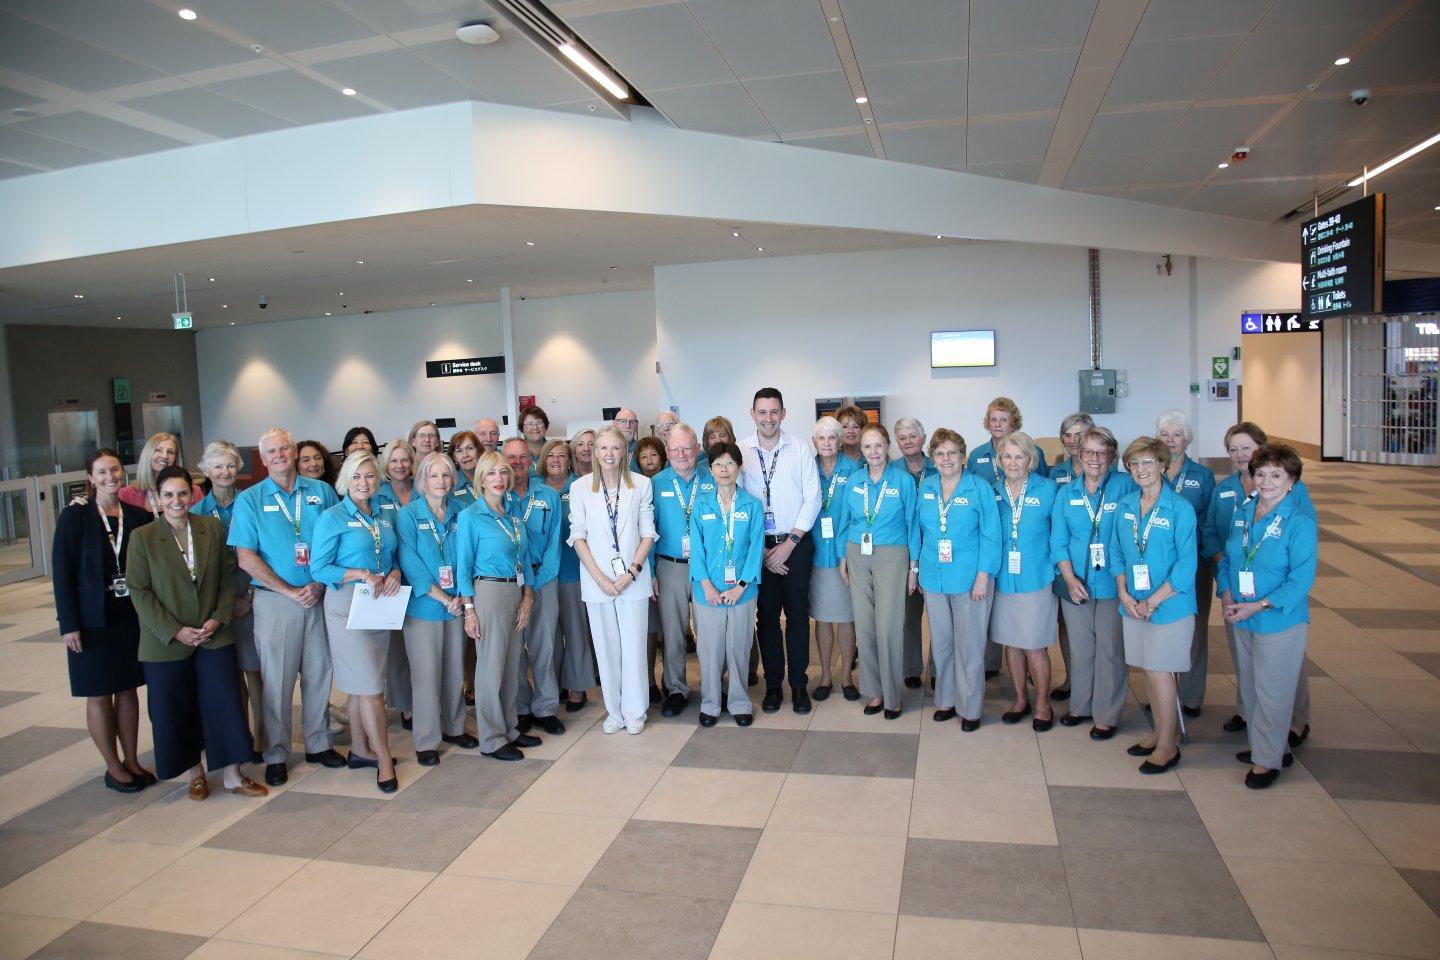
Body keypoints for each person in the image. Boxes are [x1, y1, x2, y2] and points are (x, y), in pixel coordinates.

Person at [127, 466, 266, 800]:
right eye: (169, 495)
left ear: (193, 495)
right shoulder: (143, 538)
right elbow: (139, 590)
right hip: (167, 640)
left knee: (225, 702)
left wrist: (218, 619)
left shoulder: (210, 528)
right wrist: (175, 631)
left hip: (212, 632)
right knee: (176, 706)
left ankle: (232, 774)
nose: (177, 501)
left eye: (183, 494)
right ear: (158, 499)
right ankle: (195, 773)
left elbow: (226, 577)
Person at [228, 427, 344, 787]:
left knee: (319, 672)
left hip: (319, 595)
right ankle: (276, 753)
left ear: (294, 452)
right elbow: (245, 557)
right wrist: (289, 590)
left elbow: (337, 540)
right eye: (271, 452)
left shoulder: (322, 492)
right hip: (275, 600)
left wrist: (318, 584)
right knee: (276, 681)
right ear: (262, 460)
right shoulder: (249, 500)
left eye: (284, 449)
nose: (279, 455)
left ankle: (318, 742)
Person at [53, 449, 155, 793]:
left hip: (130, 617)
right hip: (92, 620)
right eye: (102, 471)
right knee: (98, 693)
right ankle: (112, 767)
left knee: (128, 689)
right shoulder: (75, 517)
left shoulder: (137, 516)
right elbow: (62, 573)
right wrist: (69, 623)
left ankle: (132, 759)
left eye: (114, 470)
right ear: (91, 477)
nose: (110, 476)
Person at [1203, 422, 1315, 735]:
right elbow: (1211, 530)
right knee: (1245, 660)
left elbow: (1301, 549)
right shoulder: (1226, 489)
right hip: (1235, 589)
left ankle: (1293, 722)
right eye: (1233, 449)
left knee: (1282, 669)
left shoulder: (1292, 494)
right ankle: (1249, 714)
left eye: (1247, 448)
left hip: (1275, 597)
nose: (1240, 454)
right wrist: (1221, 563)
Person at [1218, 444, 1317, 789]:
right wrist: (1227, 593)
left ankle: (1268, 760)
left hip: (1277, 619)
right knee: (1251, 688)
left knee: (1273, 690)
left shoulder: (1298, 522)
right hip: (1240, 613)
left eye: (1276, 475)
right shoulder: (1245, 512)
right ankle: (1266, 745)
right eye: (1261, 473)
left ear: (1291, 481)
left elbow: (1300, 580)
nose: (1267, 480)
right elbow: (1230, 559)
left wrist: (1258, 605)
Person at [311, 451, 403, 793]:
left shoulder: (382, 515)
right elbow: (318, 569)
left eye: (369, 476)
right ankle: (383, 759)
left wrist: (394, 572)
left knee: (361, 682)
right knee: (371, 689)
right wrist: (358, 573)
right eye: (357, 477)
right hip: (347, 606)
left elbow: (391, 556)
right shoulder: (332, 517)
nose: (364, 483)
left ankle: (360, 749)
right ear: (345, 481)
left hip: (377, 604)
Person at [1110, 436, 1197, 774]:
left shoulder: (1180, 509)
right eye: (1135, 463)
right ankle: (1158, 731)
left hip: (1169, 606)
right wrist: (1124, 592)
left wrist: (1152, 602)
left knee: (1161, 671)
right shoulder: (1127, 505)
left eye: (1148, 462)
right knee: (1149, 668)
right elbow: (1117, 551)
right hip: (1133, 602)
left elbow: (1186, 567)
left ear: (1163, 465)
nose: (1141, 469)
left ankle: (1168, 744)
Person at [568, 427, 656, 735]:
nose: (608, 454)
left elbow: (647, 533)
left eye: (615, 448)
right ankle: (614, 710)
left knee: (633, 645)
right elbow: (577, 536)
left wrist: (631, 571)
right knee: (606, 648)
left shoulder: (642, 485)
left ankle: (635, 710)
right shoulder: (580, 488)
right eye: (602, 448)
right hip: (597, 581)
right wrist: (600, 578)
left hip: (633, 579)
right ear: (595, 453)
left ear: (625, 453)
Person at [1050, 427, 1135, 739]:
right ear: (1079, 455)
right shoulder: (1067, 493)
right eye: (1088, 452)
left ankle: (1107, 714)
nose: (1095, 459)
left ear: (1112, 456)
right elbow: (1058, 541)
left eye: (1102, 452)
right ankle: (1080, 706)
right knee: (1081, 650)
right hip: (1077, 584)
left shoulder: (1126, 486)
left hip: (1114, 584)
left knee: (1110, 651)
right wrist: (1069, 579)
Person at [739, 388, 821, 713]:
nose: (768, 418)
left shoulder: (800, 449)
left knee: (799, 617)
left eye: (774, 412)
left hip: (795, 545)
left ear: (783, 413)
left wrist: (788, 545)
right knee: (767, 618)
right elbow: (740, 503)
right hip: (758, 548)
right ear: (753, 414)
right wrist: (761, 551)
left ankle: (799, 685)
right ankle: (773, 685)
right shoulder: (742, 452)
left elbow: (812, 499)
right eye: (762, 412)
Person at [396, 452, 479, 766]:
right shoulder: (408, 515)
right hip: (424, 608)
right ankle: (427, 738)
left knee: (454, 668)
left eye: (446, 476)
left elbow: (468, 556)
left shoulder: (462, 512)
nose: (440, 482)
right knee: (426, 675)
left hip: (456, 604)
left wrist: (460, 596)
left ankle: (455, 727)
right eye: (434, 476)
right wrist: (444, 598)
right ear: (422, 480)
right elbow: (411, 565)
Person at [456, 452, 539, 759]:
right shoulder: (470, 517)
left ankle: (509, 728)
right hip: (488, 593)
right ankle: (491, 738)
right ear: (481, 479)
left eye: (503, 473)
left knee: (511, 664)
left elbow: (525, 562)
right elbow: (462, 567)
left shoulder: (512, 516)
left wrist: (528, 598)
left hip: (515, 594)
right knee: (490, 666)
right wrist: (469, 610)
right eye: (491, 474)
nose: (499, 479)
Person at [916, 429, 999, 730]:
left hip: (970, 580)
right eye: (939, 453)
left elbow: (992, 535)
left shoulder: (979, 488)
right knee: (942, 643)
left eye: (952, 453)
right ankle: (947, 700)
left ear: (963, 457)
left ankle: (970, 707)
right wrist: (916, 571)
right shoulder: (926, 487)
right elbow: (918, 532)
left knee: (970, 645)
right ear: (933, 458)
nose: (946, 458)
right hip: (934, 578)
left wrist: (982, 578)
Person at [838, 424, 918, 719]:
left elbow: (914, 524)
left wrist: (914, 566)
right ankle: (875, 691)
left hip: (893, 555)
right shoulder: (854, 480)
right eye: (868, 446)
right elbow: (845, 519)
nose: (873, 452)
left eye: (879, 446)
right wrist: (841, 556)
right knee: (866, 626)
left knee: (888, 627)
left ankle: (893, 696)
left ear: (888, 448)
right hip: (857, 552)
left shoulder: (903, 481)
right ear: (862, 449)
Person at [193, 441, 263, 760]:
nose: (225, 472)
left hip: (250, 597)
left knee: (255, 670)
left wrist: (247, 594)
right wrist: (224, 602)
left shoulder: (251, 503)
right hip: (216, 605)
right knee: (230, 678)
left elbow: (264, 551)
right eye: (217, 466)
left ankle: (262, 738)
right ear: (205, 471)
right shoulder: (196, 513)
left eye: (230, 465)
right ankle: (240, 736)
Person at [689, 442, 764, 727]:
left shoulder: (752, 505)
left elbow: (756, 548)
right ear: (710, 470)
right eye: (718, 464)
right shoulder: (701, 506)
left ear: (739, 468)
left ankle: (739, 702)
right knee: (709, 648)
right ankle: (710, 703)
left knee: (739, 646)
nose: (724, 469)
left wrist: (740, 587)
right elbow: (697, 550)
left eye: (729, 463)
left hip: (742, 593)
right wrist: (707, 586)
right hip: (707, 590)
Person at [992, 432, 1060, 731]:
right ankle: (1021, 699)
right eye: (1007, 456)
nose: (1013, 462)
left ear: (1030, 460)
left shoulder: (1048, 490)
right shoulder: (993, 491)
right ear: (1000, 460)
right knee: (1012, 644)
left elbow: (1058, 535)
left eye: (1019, 456)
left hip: (1037, 577)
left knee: (1034, 646)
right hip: (1004, 579)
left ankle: (1043, 703)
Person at [1155, 409, 1216, 718]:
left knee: (1193, 630)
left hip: (1193, 565)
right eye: (1164, 435)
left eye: (1176, 435)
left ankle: (1190, 696)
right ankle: (1163, 694)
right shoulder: (1151, 471)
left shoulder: (1202, 476)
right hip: (1155, 565)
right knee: (1162, 628)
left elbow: (1209, 521)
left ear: (1187, 439)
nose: (1170, 440)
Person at [503, 438, 565, 736]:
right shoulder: (497, 497)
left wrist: (541, 580)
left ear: (531, 459)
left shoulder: (548, 495)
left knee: (544, 645)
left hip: (543, 578)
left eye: (522, 456)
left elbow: (555, 541)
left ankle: (546, 706)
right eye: (510, 457)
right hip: (510, 583)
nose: (516, 462)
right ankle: (521, 706)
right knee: (514, 649)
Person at [651, 424, 713, 716]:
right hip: (670, 566)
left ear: (697, 449)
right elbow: (646, 531)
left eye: (686, 448)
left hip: (707, 568)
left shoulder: (713, 478)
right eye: (674, 449)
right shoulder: (655, 484)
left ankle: (714, 687)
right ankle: (676, 689)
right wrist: (651, 571)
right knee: (673, 632)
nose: (680, 454)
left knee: (709, 630)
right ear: (666, 452)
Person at [540, 438, 595, 712]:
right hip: (544, 575)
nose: (556, 460)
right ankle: (555, 683)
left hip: (574, 569)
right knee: (550, 633)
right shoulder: (536, 489)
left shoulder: (579, 486)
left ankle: (577, 686)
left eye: (562, 456)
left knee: (575, 631)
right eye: (551, 456)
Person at [811, 417, 860, 701]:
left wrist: (846, 552)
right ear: (814, 442)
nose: (827, 444)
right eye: (822, 439)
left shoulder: (854, 471)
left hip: (844, 556)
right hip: (816, 554)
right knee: (823, 618)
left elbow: (857, 515)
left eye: (832, 438)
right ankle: (826, 676)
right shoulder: (808, 470)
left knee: (846, 618)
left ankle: (847, 678)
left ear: (840, 442)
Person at [1046, 412, 1094, 702]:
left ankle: (1096, 683)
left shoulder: (1109, 475)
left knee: (1099, 629)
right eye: (1068, 435)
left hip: (1099, 563)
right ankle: (1072, 678)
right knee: (1068, 623)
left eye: (1080, 434)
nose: (1074, 441)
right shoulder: (1057, 474)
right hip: (1065, 561)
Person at [374, 438, 416, 727]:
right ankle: (406, 706)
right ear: (385, 465)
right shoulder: (377, 496)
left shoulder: (422, 491)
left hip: (424, 577)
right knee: (399, 649)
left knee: (422, 647)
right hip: (393, 579)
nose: (400, 465)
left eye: (404, 459)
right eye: (394, 460)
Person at [894, 417, 937, 689]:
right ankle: (910, 668)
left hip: (934, 549)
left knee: (938, 616)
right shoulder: (891, 470)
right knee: (908, 615)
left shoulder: (939, 466)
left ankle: (937, 668)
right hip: (903, 550)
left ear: (923, 438)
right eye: (902, 438)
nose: (908, 441)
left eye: (913, 436)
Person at [633, 437, 668, 702]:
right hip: (647, 566)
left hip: (672, 564)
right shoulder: (635, 486)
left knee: (672, 630)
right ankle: (649, 683)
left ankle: (671, 680)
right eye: (643, 456)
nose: (648, 461)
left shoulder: (669, 481)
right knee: (649, 628)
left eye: (653, 455)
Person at [968, 397, 1050, 488]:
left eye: (1003, 420)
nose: (997, 424)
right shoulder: (976, 455)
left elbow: (1044, 485)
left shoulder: (1033, 451)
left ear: (1013, 424)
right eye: (993, 420)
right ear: (988, 423)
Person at [121, 432, 203, 515]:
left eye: (170, 452)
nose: (164, 456)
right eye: (158, 450)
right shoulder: (125, 494)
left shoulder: (194, 491)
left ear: (175, 458)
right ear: (147, 454)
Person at [1050, 413, 1095, 486]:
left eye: (1078, 435)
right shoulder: (1056, 471)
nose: (1072, 441)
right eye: (1067, 435)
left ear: (1091, 437)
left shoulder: (1105, 470)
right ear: (1062, 439)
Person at [448, 429, 482, 504]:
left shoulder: (492, 476)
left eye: (470, 448)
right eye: (459, 451)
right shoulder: (450, 484)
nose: (465, 455)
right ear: (455, 457)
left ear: (478, 451)